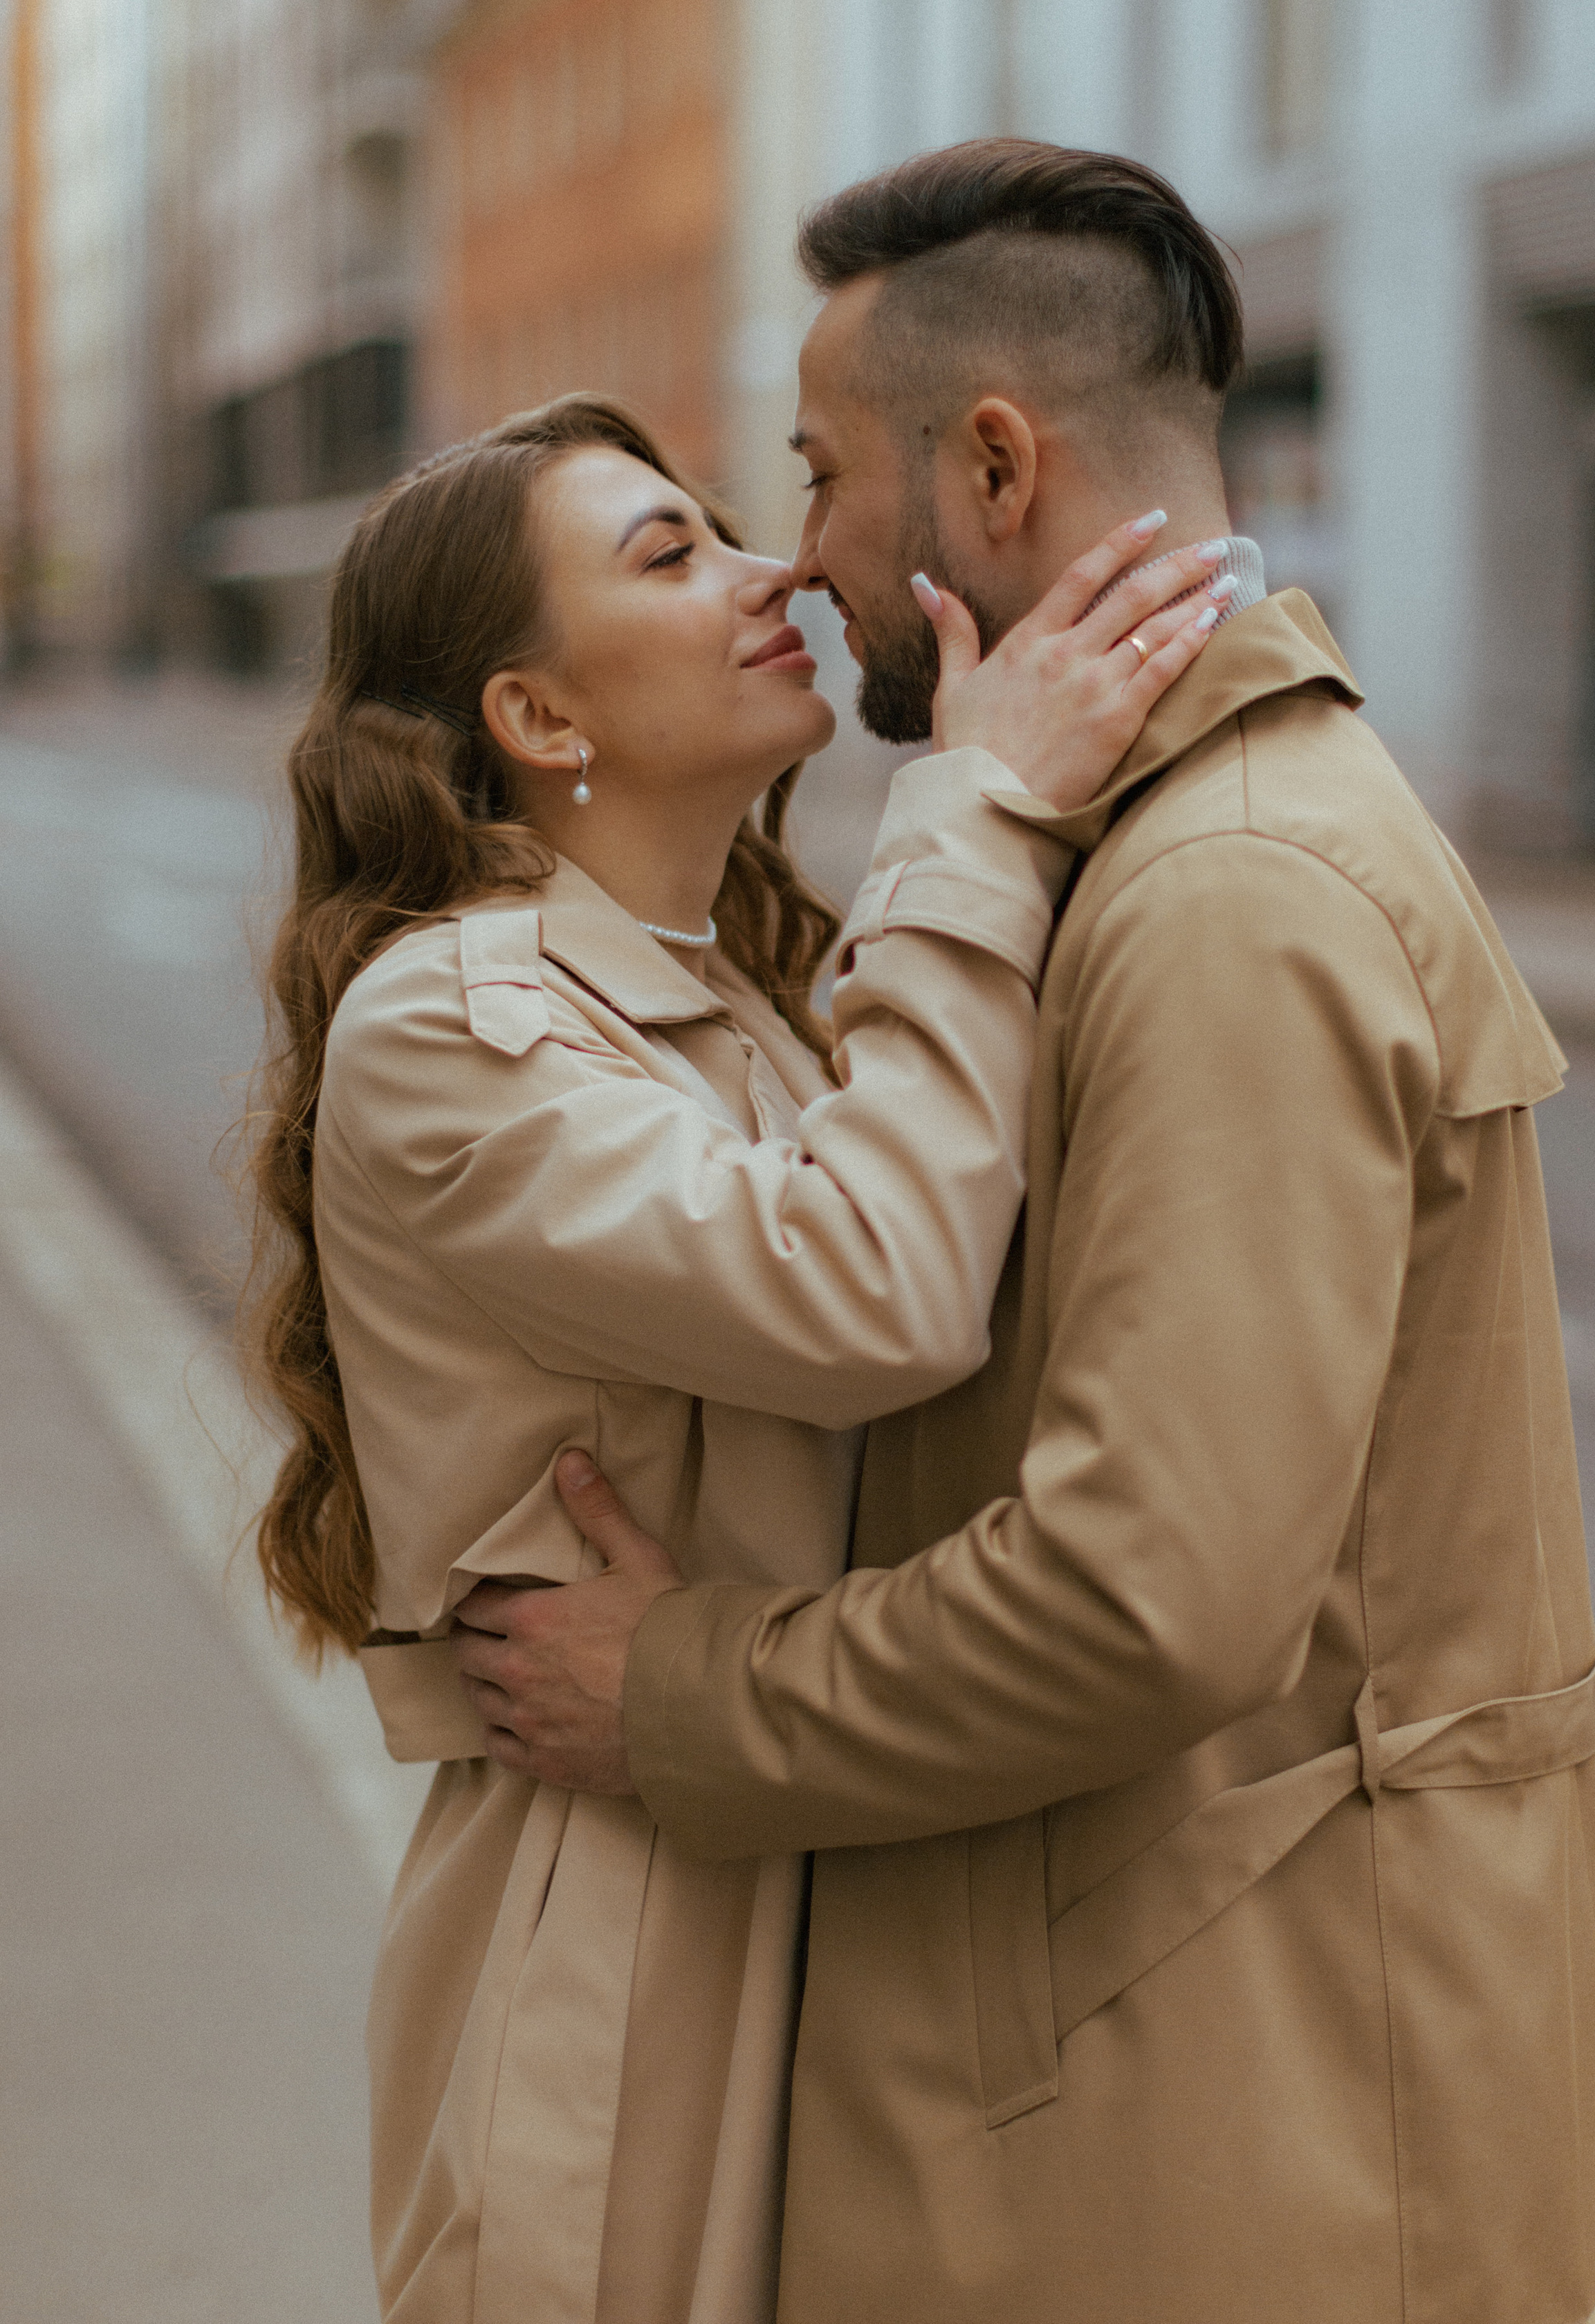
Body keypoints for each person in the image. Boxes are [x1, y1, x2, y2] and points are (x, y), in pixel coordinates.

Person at [455, 146, 1595, 2324]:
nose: (806, 554)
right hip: (1209, 2077)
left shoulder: (1226, 893)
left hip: (1241, 2140)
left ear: (998, 468)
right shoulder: (1154, 847)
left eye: (829, 475)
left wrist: (676, 1692)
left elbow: (1144, 1598)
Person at [243, 388, 1226, 2323]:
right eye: (671, 553)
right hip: (626, 1946)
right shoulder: (454, 1022)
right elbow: (879, 1290)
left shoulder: (741, 996)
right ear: (540, 719)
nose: (772, 566)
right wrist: (971, 809)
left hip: (790, 1847)